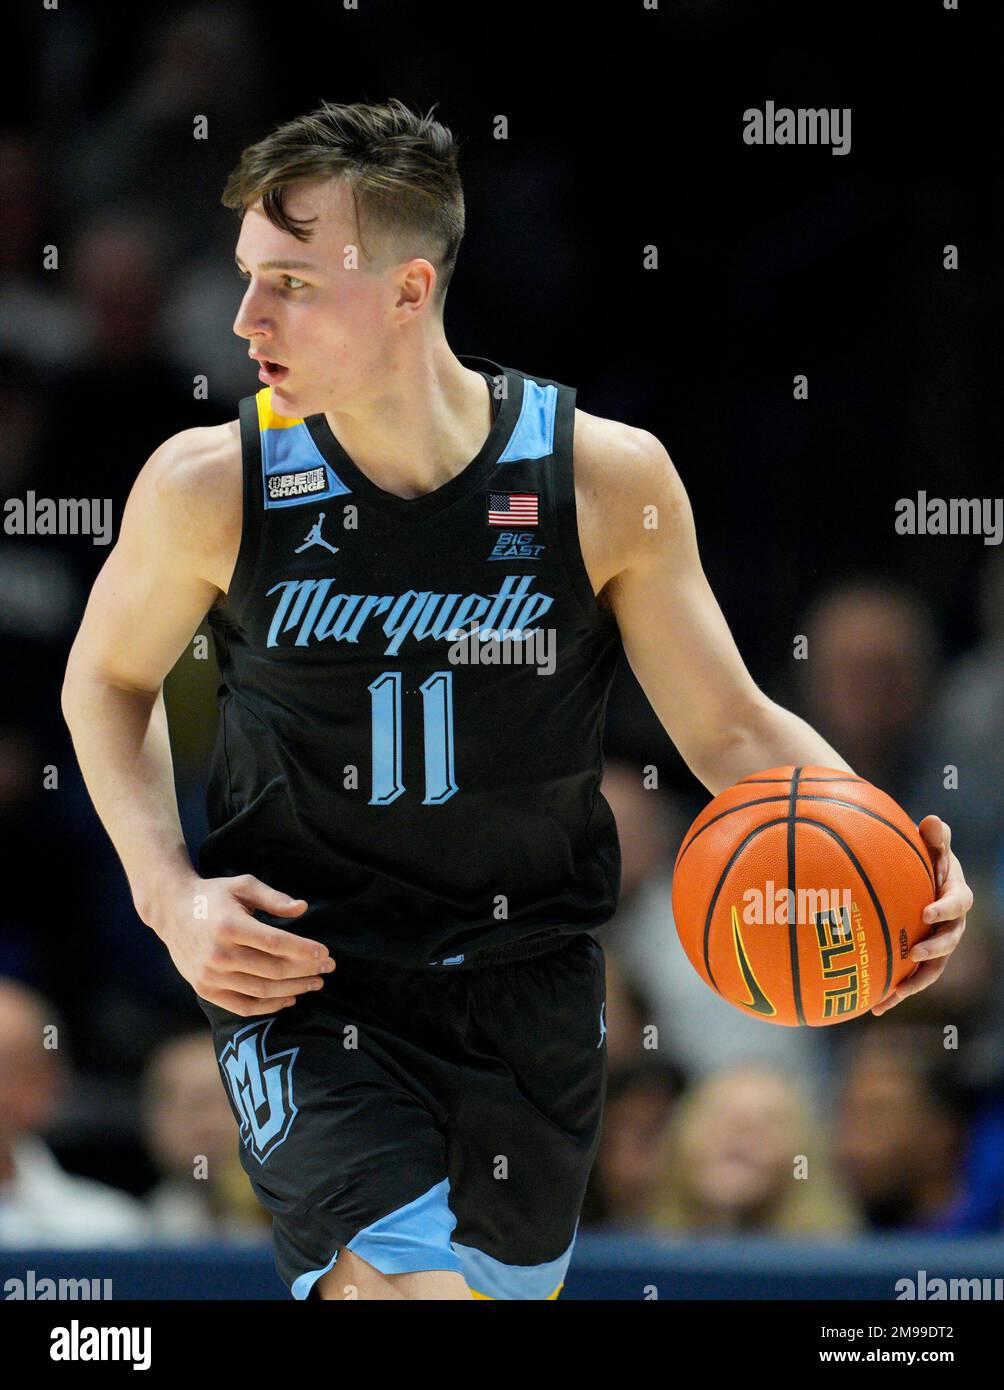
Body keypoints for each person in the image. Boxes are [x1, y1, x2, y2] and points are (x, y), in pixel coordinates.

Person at [61, 98, 972, 1301]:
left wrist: (893, 859)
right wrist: (166, 891)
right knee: (399, 1291)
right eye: (244, 276)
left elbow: (734, 727)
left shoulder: (600, 477)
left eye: (288, 281)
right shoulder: (209, 484)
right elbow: (108, 679)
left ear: (407, 289)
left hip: (531, 983)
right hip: (306, 970)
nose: (244, 318)